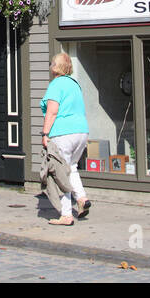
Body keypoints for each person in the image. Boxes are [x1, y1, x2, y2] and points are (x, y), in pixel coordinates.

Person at [40, 51, 90, 226]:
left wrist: (45, 133)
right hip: (81, 131)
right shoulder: (74, 84)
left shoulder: (56, 84)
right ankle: (82, 198)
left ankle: (66, 215)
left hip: (63, 133)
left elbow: (52, 111)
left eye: (52, 63)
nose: (50, 66)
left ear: (56, 67)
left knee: (59, 173)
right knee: (71, 167)